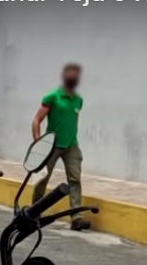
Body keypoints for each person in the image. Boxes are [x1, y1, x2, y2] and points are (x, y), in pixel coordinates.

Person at [31, 63, 88, 231]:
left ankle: (76, 218)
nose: (73, 78)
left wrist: (73, 139)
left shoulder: (78, 100)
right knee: (42, 179)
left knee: (75, 179)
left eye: (76, 75)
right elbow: (37, 120)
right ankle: (35, 212)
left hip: (72, 146)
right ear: (64, 76)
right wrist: (38, 142)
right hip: (52, 145)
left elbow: (73, 122)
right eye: (70, 74)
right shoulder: (52, 97)